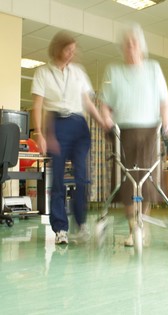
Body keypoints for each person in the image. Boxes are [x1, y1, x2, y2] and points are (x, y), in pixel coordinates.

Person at [100, 23, 168, 247]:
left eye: (134, 43)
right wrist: (107, 120)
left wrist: (167, 121)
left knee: (147, 182)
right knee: (128, 185)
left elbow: (164, 102)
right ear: (122, 48)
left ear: (141, 46)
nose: (131, 47)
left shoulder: (153, 68)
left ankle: (142, 227)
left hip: (150, 131)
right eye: (127, 44)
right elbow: (104, 104)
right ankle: (134, 230)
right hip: (123, 132)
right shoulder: (113, 71)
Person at [32, 31, 105, 245]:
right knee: (57, 182)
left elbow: (87, 102)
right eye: (68, 50)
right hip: (57, 125)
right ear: (57, 49)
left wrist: (101, 121)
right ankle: (60, 229)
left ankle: (81, 224)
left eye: (74, 50)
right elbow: (37, 105)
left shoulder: (79, 72)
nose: (72, 54)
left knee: (82, 178)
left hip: (79, 125)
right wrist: (40, 133)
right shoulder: (42, 73)